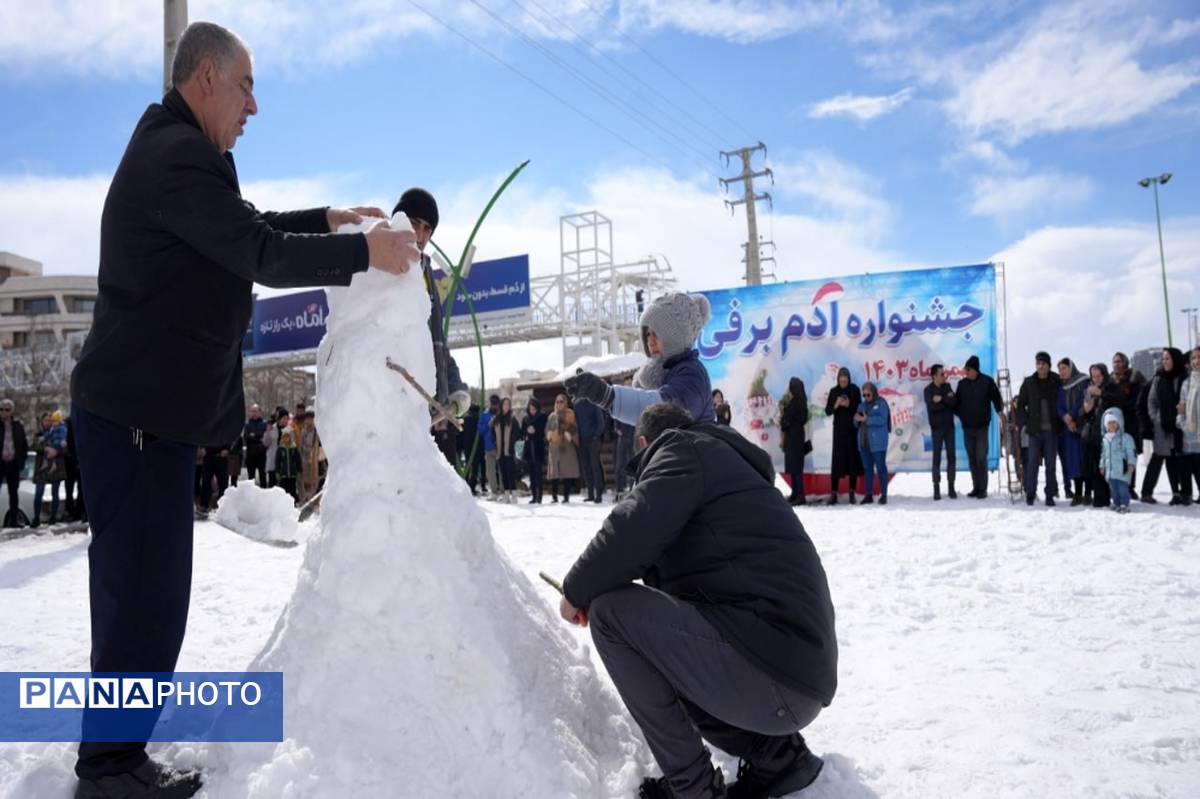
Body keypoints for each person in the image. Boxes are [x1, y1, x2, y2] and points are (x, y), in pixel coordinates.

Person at [67, 21, 419, 796]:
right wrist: (366, 252)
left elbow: (248, 228)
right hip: (131, 420)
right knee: (139, 600)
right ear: (204, 78)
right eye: (246, 85)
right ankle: (108, 768)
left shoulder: (186, 153)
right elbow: (258, 255)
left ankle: (117, 757)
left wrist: (324, 218)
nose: (254, 105)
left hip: (146, 420)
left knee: (151, 598)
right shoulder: (176, 156)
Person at [558, 402, 836, 799]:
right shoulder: (724, 468)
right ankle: (778, 757)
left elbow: (634, 526)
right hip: (794, 678)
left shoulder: (683, 450)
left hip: (772, 674)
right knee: (656, 644)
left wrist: (576, 591)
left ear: (644, 443)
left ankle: (695, 790)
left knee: (609, 616)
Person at [392, 188, 470, 463]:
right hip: (393, 411)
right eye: (415, 224)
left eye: (428, 229)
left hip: (426, 414)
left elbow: (435, 343)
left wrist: (455, 385)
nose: (421, 236)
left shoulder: (426, 274)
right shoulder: (380, 266)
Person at [566, 292, 715, 426]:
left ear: (675, 336)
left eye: (658, 332)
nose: (650, 341)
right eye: (648, 333)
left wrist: (604, 395)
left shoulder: (692, 374)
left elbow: (664, 412)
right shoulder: (662, 376)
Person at [953, 355, 1004, 499]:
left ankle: (983, 489)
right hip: (967, 428)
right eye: (965, 369)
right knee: (972, 459)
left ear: (975, 369)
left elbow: (996, 398)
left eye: (968, 369)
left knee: (981, 458)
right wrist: (961, 414)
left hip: (982, 427)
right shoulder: (962, 384)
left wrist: (1000, 412)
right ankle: (976, 487)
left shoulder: (987, 381)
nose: (966, 372)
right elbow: (956, 404)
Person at [1016, 351, 1063, 506]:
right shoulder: (1029, 382)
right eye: (1038, 363)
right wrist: (1024, 423)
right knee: (1031, 464)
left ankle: (1049, 495)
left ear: (1049, 365)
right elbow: (1020, 405)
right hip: (1034, 431)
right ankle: (1030, 493)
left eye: (1043, 363)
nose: (1040, 366)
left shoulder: (1057, 380)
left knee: (1051, 465)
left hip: (1052, 431)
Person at [1147, 347, 1190, 505]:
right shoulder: (1159, 378)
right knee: (1170, 459)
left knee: (1184, 459)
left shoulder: (1185, 377)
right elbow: (1152, 401)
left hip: (1183, 425)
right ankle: (1176, 492)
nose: (1164, 362)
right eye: (1163, 359)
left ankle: (1186, 493)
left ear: (1176, 360)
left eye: (1168, 358)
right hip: (1164, 425)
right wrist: (1156, 418)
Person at [1077, 364, 1122, 508]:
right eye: (1093, 376)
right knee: (1096, 469)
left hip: (1109, 437)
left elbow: (1119, 402)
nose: (1096, 379)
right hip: (1093, 436)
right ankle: (1099, 499)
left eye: (1098, 376)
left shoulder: (1111, 387)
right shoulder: (1090, 390)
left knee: (1108, 469)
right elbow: (1082, 415)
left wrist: (1101, 393)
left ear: (1104, 375)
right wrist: (1085, 410)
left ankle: (1112, 498)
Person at [823, 367, 862, 505]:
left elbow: (860, 408)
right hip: (838, 432)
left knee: (852, 460)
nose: (843, 380)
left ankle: (852, 492)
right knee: (837, 461)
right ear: (838, 378)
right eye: (841, 378)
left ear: (848, 379)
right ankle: (834, 493)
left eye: (845, 378)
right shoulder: (834, 392)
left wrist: (848, 404)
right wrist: (836, 404)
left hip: (852, 430)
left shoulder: (854, 390)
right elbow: (827, 411)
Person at [1111, 352, 1146, 491]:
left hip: (1130, 422)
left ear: (1125, 363)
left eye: (1119, 361)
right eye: (1114, 361)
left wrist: (1119, 400)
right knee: (1116, 456)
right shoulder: (1110, 380)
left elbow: (1136, 401)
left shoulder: (1134, 379)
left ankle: (1130, 487)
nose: (1116, 364)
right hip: (1114, 423)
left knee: (1130, 455)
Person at [1056, 359, 1089, 506]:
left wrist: (1073, 415)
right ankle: (1077, 494)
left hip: (1083, 426)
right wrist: (1065, 418)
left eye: (1064, 368)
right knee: (1074, 462)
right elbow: (1058, 406)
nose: (1062, 371)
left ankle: (1088, 494)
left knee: (1086, 461)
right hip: (1068, 430)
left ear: (1071, 367)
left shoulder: (1083, 381)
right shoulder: (1061, 387)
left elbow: (1084, 400)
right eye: (1060, 369)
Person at [923, 364, 957, 500]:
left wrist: (941, 399)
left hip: (949, 427)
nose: (945, 376)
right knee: (936, 458)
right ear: (934, 376)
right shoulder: (928, 390)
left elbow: (953, 402)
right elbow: (932, 407)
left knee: (951, 457)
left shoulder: (948, 387)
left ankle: (951, 487)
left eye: (944, 373)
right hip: (936, 428)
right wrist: (946, 400)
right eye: (942, 374)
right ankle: (936, 488)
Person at [854, 382, 891, 505]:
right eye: (864, 395)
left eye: (868, 394)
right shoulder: (861, 405)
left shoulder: (881, 403)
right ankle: (868, 495)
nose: (866, 397)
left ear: (873, 392)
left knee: (881, 468)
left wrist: (867, 419)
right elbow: (855, 423)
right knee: (867, 469)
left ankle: (884, 495)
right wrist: (856, 419)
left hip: (878, 443)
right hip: (864, 443)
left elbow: (882, 419)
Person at [32, 411, 68, 527]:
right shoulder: (39, 434)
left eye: (50, 420)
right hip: (42, 468)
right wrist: (47, 449)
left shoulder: (59, 431)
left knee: (55, 492)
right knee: (38, 493)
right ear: (42, 422)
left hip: (56, 467)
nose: (48, 422)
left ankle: (53, 517)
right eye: (46, 420)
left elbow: (65, 449)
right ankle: (36, 518)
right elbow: (35, 446)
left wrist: (56, 450)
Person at [1099, 408, 1137, 514]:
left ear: (1119, 422)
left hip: (1122, 470)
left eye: (1114, 422)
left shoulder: (1126, 438)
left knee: (1122, 489)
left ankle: (1124, 504)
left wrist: (1131, 463)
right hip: (1110, 471)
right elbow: (1103, 454)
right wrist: (1102, 466)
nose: (1112, 425)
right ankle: (1116, 503)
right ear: (1106, 425)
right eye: (1109, 423)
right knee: (1113, 489)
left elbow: (1131, 452)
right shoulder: (1105, 439)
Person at [545, 394, 581, 502]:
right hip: (555, 446)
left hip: (567, 445)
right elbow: (548, 429)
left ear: (565, 402)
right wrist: (549, 435)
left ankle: (566, 496)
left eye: (562, 401)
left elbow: (574, 427)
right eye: (558, 401)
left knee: (567, 472)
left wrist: (569, 434)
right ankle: (554, 496)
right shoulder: (552, 416)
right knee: (554, 473)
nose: (560, 404)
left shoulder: (570, 414)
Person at [779, 377, 809, 506]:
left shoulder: (798, 402)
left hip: (795, 437)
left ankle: (800, 494)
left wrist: (787, 421)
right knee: (792, 466)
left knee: (796, 467)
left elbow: (797, 419)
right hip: (793, 437)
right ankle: (795, 493)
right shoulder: (797, 401)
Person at [574, 387, 607, 503]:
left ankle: (599, 494)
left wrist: (596, 435)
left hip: (593, 440)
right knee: (586, 467)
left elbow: (601, 422)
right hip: (582, 441)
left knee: (595, 466)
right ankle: (590, 494)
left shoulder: (594, 404)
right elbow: (576, 423)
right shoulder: (576, 405)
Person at [0, 399, 29, 526]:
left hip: (13, 463)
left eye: (7, 409)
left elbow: (23, 445)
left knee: (13, 493)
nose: (3, 412)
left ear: (11, 411)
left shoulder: (18, 426)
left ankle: (13, 521)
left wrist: (21, 461)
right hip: (0, 463)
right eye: (1, 409)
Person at [1177, 346, 1200, 500]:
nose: (1197, 361)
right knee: (1188, 464)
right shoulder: (1186, 382)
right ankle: (1186, 494)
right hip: (1189, 431)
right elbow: (1181, 406)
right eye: (1194, 358)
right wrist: (1183, 423)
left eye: (1199, 357)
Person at [490, 397, 520, 504]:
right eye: (504, 404)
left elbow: (517, 433)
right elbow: (492, 433)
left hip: (509, 451)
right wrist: (495, 442)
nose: (506, 406)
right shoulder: (496, 419)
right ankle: (506, 495)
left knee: (511, 473)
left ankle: (514, 495)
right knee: (503, 474)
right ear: (501, 405)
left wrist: (512, 441)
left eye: (508, 404)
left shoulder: (512, 419)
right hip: (500, 451)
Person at [520, 398, 547, 504]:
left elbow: (543, 430)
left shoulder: (542, 416)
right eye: (530, 408)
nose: (532, 410)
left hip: (538, 446)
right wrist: (526, 432)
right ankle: (533, 496)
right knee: (531, 473)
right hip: (528, 448)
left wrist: (535, 431)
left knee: (538, 473)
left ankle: (539, 496)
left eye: (534, 408)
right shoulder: (525, 419)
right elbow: (522, 431)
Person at [479, 394, 501, 500]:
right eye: (493, 404)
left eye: (496, 404)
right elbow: (480, 430)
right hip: (488, 446)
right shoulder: (485, 415)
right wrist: (488, 425)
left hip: (500, 446)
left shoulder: (502, 414)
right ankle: (494, 491)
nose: (494, 406)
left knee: (502, 470)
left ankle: (503, 490)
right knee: (490, 470)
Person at [242, 404, 267, 487]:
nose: (254, 413)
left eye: (256, 411)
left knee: (262, 476)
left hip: (261, 453)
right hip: (250, 453)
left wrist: (254, 435)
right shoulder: (247, 424)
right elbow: (246, 437)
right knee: (251, 477)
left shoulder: (264, 423)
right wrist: (257, 437)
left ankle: (264, 493)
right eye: (252, 411)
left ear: (260, 412)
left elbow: (264, 436)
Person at [275, 426, 301, 501]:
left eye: (288, 437)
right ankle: (284, 502)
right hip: (283, 474)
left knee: (292, 489)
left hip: (292, 474)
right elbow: (277, 461)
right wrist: (277, 471)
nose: (286, 439)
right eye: (285, 437)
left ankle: (293, 502)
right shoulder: (280, 449)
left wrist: (299, 470)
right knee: (284, 490)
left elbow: (298, 460)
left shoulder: (294, 448)